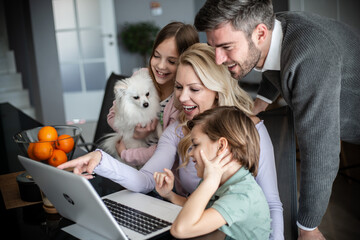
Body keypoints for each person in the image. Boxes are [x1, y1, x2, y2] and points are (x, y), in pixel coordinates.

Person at [58, 43, 283, 239]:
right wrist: (100, 160)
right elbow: (145, 180)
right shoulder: (178, 129)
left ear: (217, 89)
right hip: (192, 226)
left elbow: (271, 203)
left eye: (194, 89)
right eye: (178, 87)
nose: (182, 98)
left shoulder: (249, 129)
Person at [194, 0, 360, 239]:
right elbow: (269, 60)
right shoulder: (276, 28)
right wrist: (261, 100)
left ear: (260, 32)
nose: (218, 59)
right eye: (213, 47)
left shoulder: (312, 55)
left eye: (227, 47)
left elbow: (320, 150)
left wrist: (308, 227)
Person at [154, 106, 271, 239]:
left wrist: (210, 182)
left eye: (196, 145)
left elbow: (180, 230)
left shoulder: (242, 195)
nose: (190, 153)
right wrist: (169, 195)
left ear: (221, 146)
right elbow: (194, 210)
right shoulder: (218, 178)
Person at [107, 21, 199, 166]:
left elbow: (168, 150)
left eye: (171, 61)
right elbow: (112, 116)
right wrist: (134, 133)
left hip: (163, 172)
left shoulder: (185, 98)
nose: (161, 66)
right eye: (156, 56)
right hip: (132, 160)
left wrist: (126, 154)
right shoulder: (142, 76)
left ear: (187, 61)